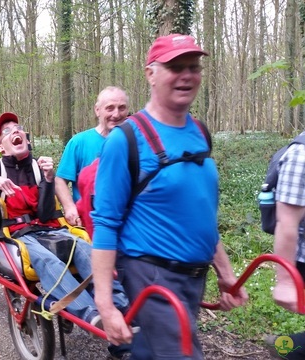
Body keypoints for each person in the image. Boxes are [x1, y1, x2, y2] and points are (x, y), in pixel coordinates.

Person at [91, 34, 248, 359]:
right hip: (153, 277)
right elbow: (105, 224)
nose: (187, 75)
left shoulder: (200, 132)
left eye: (193, 66)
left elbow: (201, 214)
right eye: (175, 67)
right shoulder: (125, 141)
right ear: (151, 73)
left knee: (150, 351)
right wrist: (105, 305)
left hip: (194, 276)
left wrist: (226, 273)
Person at [0, 112, 130, 358]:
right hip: (18, 234)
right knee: (47, 260)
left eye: (18, 128)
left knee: (83, 248)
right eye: (7, 131)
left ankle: (120, 304)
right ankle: (90, 315)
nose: (15, 132)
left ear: (26, 139)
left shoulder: (38, 166)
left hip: (48, 227)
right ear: (2, 148)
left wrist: (48, 180)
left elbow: (46, 212)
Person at [55, 87, 129, 226]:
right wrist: (70, 207)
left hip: (127, 221)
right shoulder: (79, 142)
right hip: (88, 222)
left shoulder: (135, 143)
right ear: (97, 110)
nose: (116, 114)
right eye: (110, 108)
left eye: (122, 108)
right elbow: (60, 180)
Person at [266, 132, 305, 359]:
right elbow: (287, 223)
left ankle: (285, 345)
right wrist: (286, 281)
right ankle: (287, 348)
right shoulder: (301, 155)